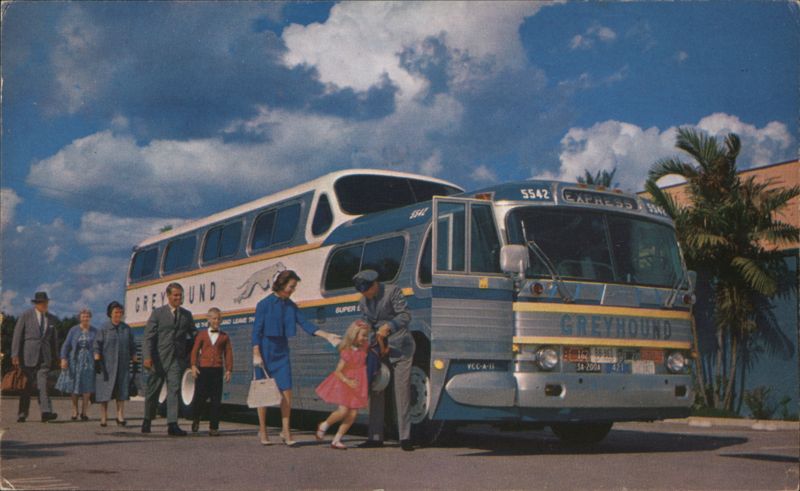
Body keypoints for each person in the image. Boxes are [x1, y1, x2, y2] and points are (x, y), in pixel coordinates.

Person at [252, 270, 340, 446]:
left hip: (282, 351)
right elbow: (257, 330)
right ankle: (263, 431)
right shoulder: (264, 304)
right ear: (282, 284)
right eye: (291, 286)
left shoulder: (291, 306)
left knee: (287, 392)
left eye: (294, 287)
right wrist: (256, 353)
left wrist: (327, 335)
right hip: (264, 351)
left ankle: (286, 431)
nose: (293, 290)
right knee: (263, 393)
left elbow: (306, 324)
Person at [353, 269, 415, 451]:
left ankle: (405, 437)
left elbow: (405, 315)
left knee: (401, 391)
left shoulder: (393, 291)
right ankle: (375, 436)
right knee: (377, 388)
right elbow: (366, 321)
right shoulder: (363, 300)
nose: (365, 295)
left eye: (367, 290)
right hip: (378, 348)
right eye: (362, 292)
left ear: (375, 284)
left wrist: (389, 326)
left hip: (400, 347)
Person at [142, 282, 196, 436]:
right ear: (168, 296)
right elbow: (148, 337)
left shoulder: (187, 315)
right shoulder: (158, 313)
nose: (179, 298)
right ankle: (147, 419)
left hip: (176, 359)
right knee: (153, 391)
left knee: (174, 389)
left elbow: (193, 333)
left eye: (180, 295)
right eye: (176, 295)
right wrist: (147, 357)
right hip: (158, 358)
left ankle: (172, 424)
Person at [314, 320, 370, 449]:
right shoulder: (347, 352)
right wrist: (348, 381)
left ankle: (337, 440)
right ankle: (325, 425)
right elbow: (337, 372)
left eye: (366, 335)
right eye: (363, 335)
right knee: (343, 411)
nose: (365, 338)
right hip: (346, 382)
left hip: (358, 383)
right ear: (354, 335)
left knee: (353, 414)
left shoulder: (364, 346)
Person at [11, 291, 60, 422]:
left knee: (43, 384)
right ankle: (22, 413)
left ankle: (46, 412)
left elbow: (54, 340)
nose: (44, 305)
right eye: (42, 303)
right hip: (28, 356)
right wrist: (15, 354)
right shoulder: (26, 315)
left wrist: (57, 357)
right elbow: (17, 335)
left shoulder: (51, 318)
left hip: (45, 357)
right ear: (36, 304)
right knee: (27, 386)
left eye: (46, 302)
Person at [190, 307, 233, 436]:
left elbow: (228, 353)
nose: (216, 321)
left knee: (216, 400)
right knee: (200, 397)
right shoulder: (202, 335)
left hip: (217, 370)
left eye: (219, 319)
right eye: (214, 318)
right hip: (203, 369)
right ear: (208, 319)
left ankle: (214, 427)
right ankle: (196, 419)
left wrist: (229, 370)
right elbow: (195, 350)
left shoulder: (224, 336)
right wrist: (193, 365)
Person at [94, 301, 136, 427]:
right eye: (116, 312)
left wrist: (134, 361)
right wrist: (96, 360)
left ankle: (120, 416)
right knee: (104, 392)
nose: (118, 315)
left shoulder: (126, 328)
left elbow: (132, 346)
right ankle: (103, 417)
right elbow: (97, 345)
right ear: (110, 314)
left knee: (121, 392)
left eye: (120, 312)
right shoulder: (104, 328)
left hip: (122, 366)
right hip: (106, 366)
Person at [58, 309, 98, 421]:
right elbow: (66, 345)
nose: (85, 318)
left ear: (90, 318)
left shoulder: (95, 331)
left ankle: (84, 412)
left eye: (87, 316)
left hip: (89, 361)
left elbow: (98, 346)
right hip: (75, 360)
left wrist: (97, 355)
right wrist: (63, 358)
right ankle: (75, 410)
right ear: (80, 318)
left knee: (87, 386)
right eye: (83, 316)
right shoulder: (74, 330)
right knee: (74, 386)